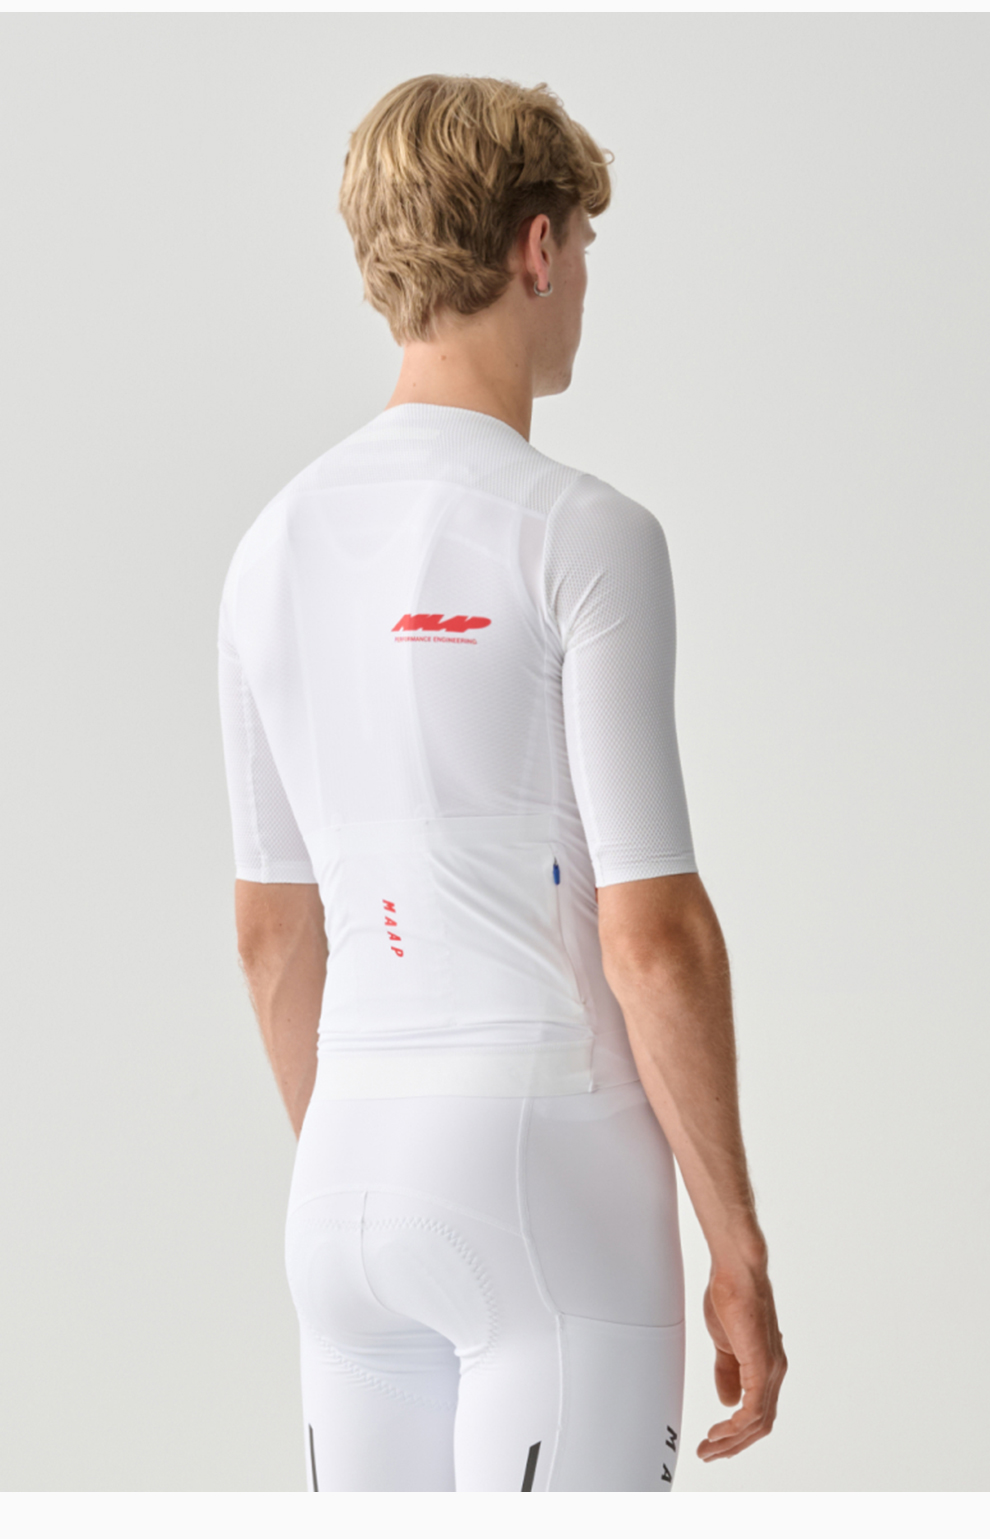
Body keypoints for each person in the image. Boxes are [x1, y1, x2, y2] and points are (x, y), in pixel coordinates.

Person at [217, 73, 786, 1493]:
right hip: (547, 1168)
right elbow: (652, 934)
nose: (583, 281)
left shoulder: (268, 550)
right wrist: (736, 1245)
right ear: (537, 246)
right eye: (583, 245)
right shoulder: (582, 534)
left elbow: (272, 932)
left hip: (342, 1177)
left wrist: (373, 1159)